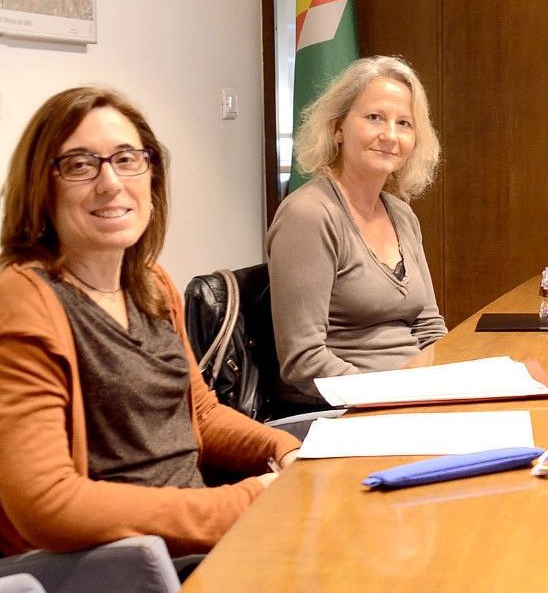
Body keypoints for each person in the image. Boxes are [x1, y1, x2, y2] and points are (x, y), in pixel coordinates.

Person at [0, 87, 301, 556]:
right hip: (121, 573)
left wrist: (283, 449)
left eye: (127, 159)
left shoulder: (151, 284)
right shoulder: (24, 299)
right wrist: (241, 503)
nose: (110, 183)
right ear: (42, 185)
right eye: (80, 164)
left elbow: (198, 414)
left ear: (151, 176)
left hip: (198, 542)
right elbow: (47, 503)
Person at [267, 56, 446, 405]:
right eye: (374, 117)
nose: (390, 135)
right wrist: (391, 399)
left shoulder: (402, 215)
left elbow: (430, 328)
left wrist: (451, 387)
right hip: (345, 412)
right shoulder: (309, 215)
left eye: (404, 123)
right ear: (337, 128)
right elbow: (303, 361)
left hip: (412, 400)